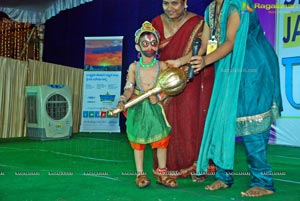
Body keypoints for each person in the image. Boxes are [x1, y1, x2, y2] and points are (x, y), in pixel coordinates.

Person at [178, 0, 282, 197]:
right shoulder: (210, 9)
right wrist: (185, 62)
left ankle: (263, 182)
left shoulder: (239, 4)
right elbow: (208, 43)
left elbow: (231, 42)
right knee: (222, 120)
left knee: (251, 121)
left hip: (251, 67)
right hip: (227, 67)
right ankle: (223, 176)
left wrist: (204, 62)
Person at [151, 0, 215, 181]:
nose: (170, 8)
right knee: (167, 120)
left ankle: (197, 165)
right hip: (165, 78)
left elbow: (204, 50)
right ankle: (167, 167)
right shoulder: (156, 23)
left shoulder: (199, 23)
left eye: (175, 3)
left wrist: (182, 63)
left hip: (192, 76)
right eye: (166, 3)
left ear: (185, 3)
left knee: (190, 119)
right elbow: (148, 52)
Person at [116, 21, 177, 188]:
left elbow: (168, 88)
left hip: (155, 108)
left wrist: (160, 97)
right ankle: (140, 174)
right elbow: (129, 88)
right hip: (137, 107)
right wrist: (123, 100)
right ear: (137, 47)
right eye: (145, 43)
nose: (149, 46)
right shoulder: (134, 67)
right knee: (138, 142)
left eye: (153, 43)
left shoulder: (162, 65)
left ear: (157, 46)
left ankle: (162, 174)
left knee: (161, 140)